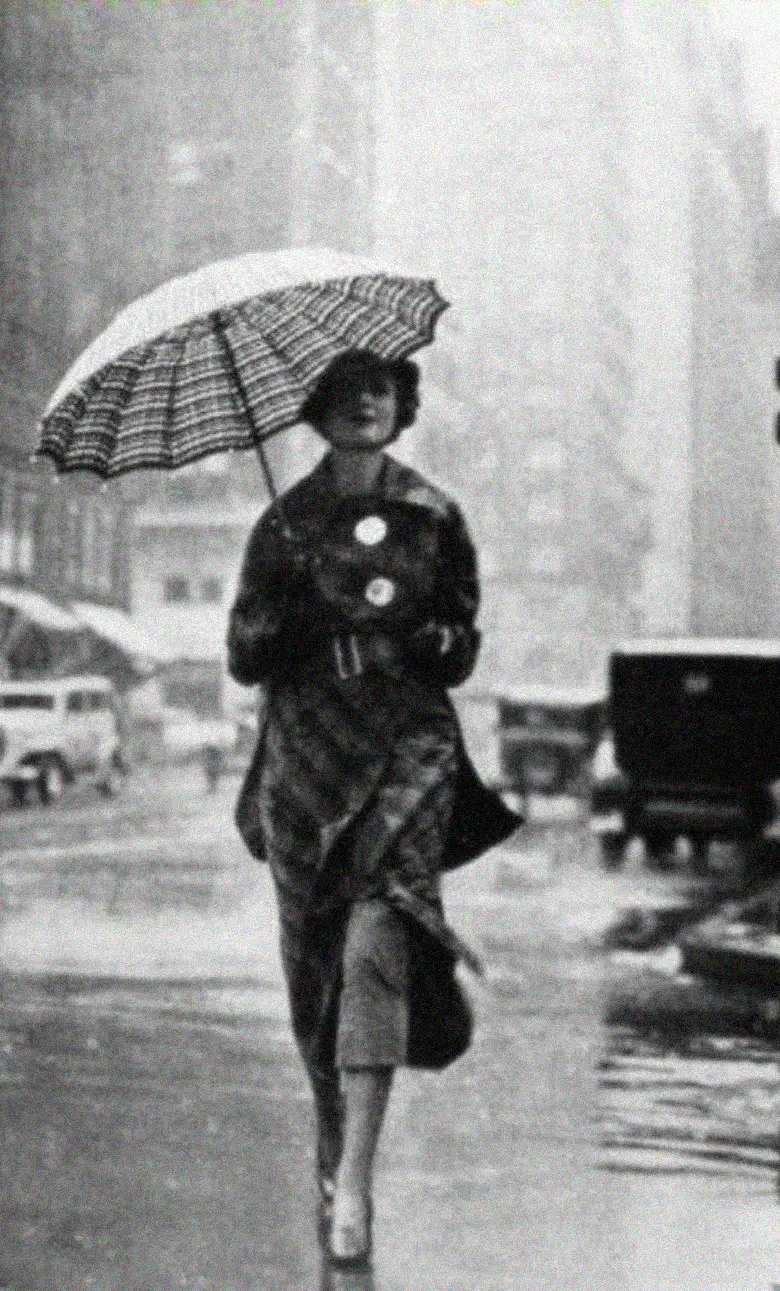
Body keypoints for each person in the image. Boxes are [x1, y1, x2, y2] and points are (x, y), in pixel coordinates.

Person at [226, 349, 520, 1268]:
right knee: (315, 967)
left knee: (376, 939)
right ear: (318, 410)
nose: (366, 403)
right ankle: (330, 1142)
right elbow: (244, 651)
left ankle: (354, 1177)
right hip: (307, 756)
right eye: (347, 391)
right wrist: (298, 612)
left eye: (381, 390)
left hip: (409, 743)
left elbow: (461, 642)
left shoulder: (435, 514)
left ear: (402, 407)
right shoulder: (284, 522)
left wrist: (425, 635)